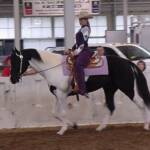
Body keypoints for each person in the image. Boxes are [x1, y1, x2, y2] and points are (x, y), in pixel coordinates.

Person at [71, 11, 93, 97]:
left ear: (86, 20)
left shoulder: (86, 29)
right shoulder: (81, 29)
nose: (80, 21)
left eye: (82, 19)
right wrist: (71, 49)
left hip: (84, 51)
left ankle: (82, 89)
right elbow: (78, 43)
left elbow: (82, 44)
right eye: (80, 19)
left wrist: (75, 52)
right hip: (81, 50)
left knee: (78, 64)